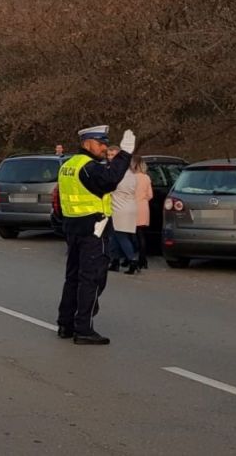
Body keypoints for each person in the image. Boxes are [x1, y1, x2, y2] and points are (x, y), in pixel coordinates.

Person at [56, 125, 133, 345]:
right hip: (93, 228)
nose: (103, 148)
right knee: (92, 279)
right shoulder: (88, 167)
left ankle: (65, 324)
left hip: (73, 227)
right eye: (101, 144)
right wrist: (125, 155)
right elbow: (109, 180)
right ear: (87, 143)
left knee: (73, 278)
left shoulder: (68, 165)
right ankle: (84, 329)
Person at [106, 146, 139, 274]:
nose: (110, 158)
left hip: (119, 207)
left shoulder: (118, 172)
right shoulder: (130, 172)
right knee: (114, 236)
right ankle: (115, 261)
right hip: (129, 205)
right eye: (108, 155)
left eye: (113, 155)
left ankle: (132, 260)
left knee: (121, 236)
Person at [132, 155, 153, 270]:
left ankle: (131, 258)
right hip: (143, 207)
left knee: (131, 235)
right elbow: (150, 195)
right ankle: (143, 259)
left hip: (132, 207)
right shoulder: (146, 178)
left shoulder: (131, 178)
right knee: (141, 235)